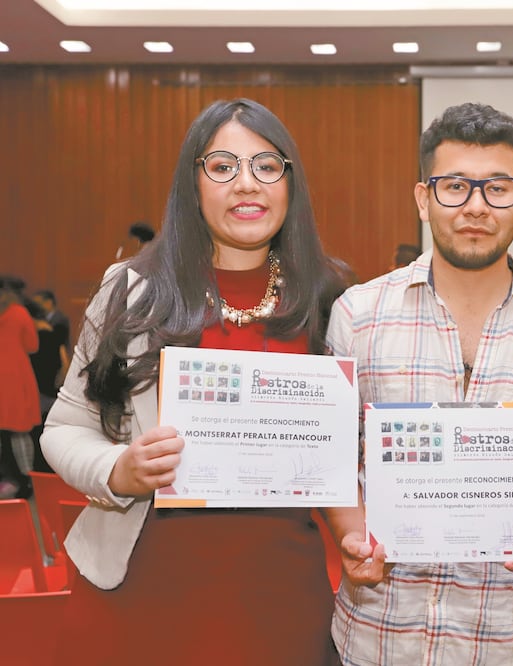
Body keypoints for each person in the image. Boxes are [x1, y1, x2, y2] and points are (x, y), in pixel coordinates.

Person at [41, 98, 344, 664]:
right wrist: (118, 470)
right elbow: (64, 427)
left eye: (266, 166)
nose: (246, 185)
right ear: (193, 182)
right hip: (137, 599)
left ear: (290, 181)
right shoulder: (133, 288)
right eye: (223, 167)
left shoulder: (331, 298)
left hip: (280, 602)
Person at [323, 102, 513, 665]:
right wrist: (355, 537)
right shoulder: (360, 313)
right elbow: (336, 458)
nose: (475, 207)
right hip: (376, 634)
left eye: (497, 188)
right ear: (424, 199)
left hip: (503, 639)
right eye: (454, 187)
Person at [0, 276, 41, 499]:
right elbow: (32, 346)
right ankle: (27, 480)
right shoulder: (18, 313)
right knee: (20, 431)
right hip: (15, 375)